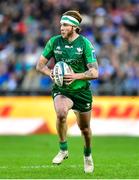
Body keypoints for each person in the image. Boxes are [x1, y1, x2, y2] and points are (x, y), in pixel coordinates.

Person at [36, 10, 98, 173]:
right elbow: (40, 66)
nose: (61, 28)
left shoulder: (85, 44)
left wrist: (75, 76)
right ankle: (63, 149)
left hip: (81, 91)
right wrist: (52, 73)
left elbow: (95, 72)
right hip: (62, 89)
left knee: (84, 129)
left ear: (74, 27)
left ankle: (87, 155)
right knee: (61, 113)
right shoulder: (54, 42)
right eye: (61, 25)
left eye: (65, 25)